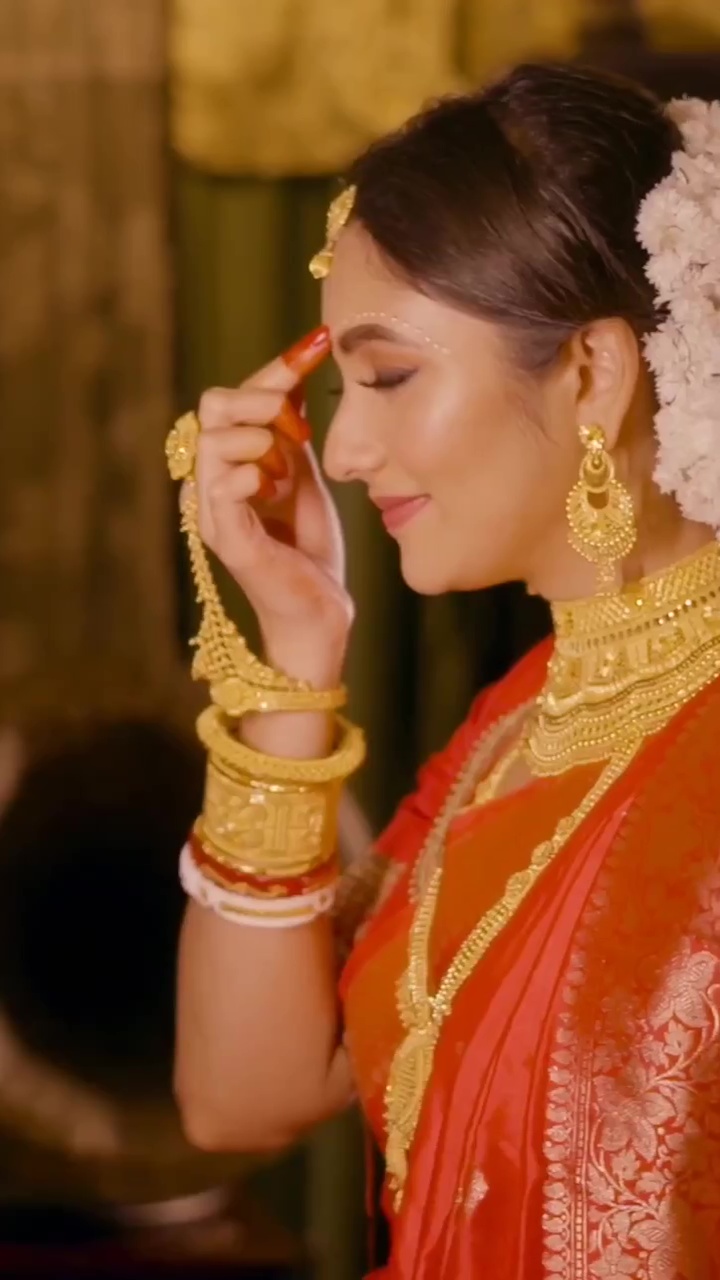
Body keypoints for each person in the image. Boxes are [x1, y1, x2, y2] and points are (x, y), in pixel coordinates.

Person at [172, 62, 720, 1278]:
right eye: (343, 386)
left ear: (593, 371)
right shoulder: (513, 732)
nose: (344, 449)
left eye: (390, 377)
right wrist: (296, 654)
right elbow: (240, 1097)